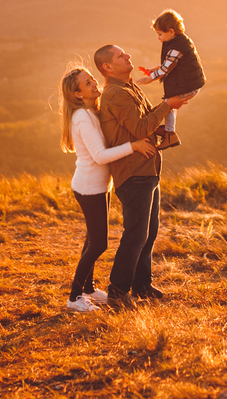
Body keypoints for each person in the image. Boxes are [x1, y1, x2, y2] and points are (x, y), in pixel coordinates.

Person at [94, 43, 190, 304]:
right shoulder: (114, 94)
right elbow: (139, 128)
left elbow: (145, 122)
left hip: (147, 167)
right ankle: (117, 291)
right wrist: (167, 105)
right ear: (107, 67)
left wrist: (164, 118)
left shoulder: (130, 88)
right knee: (136, 233)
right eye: (120, 56)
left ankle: (142, 285)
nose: (127, 56)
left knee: (149, 231)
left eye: (125, 53)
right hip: (132, 171)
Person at [59, 65, 157, 313]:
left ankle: (89, 289)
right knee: (98, 244)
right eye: (87, 83)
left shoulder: (91, 112)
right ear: (78, 94)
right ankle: (74, 297)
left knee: (92, 239)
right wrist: (133, 146)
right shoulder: (82, 117)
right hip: (89, 187)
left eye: (92, 78)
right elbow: (101, 156)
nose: (94, 83)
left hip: (98, 186)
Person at [135, 9, 207, 150]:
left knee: (168, 104)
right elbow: (170, 63)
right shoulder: (177, 42)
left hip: (189, 86)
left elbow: (166, 69)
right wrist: (155, 69)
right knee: (168, 104)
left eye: (160, 34)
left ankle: (170, 133)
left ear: (171, 31)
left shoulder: (177, 47)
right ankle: (169, 130)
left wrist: (150, 78)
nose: (158, 38)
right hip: (188, 83)